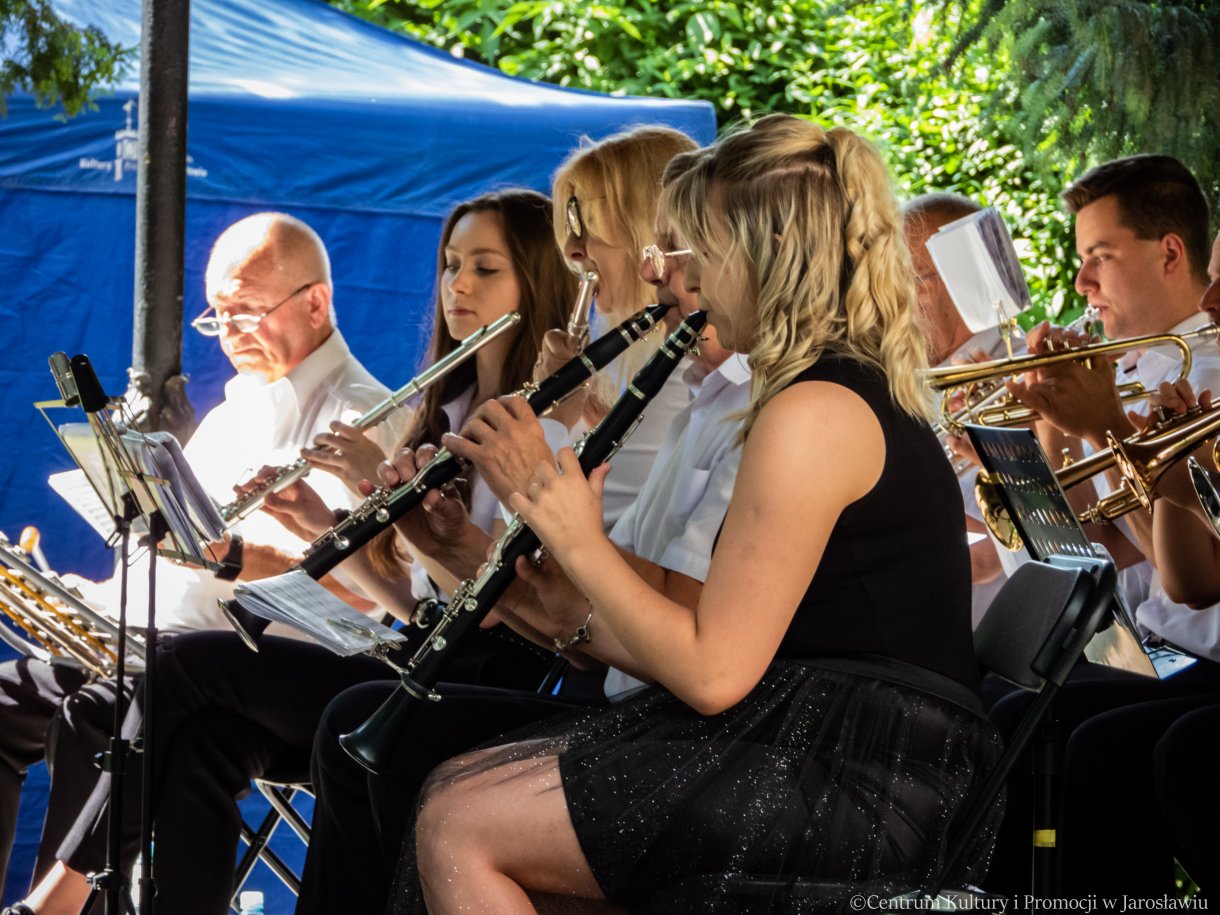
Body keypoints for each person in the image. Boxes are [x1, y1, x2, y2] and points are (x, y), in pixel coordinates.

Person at [399, 114, 1001, 914]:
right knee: (459, 794)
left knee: (459, 821)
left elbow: (713, 672)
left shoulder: (815, 409)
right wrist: (502, 570)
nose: (688, 283)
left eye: (702, 254)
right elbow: (692, 633)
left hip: (860, 776)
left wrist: (573, 531)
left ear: (766, 254)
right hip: (824, 741)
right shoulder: (822, 390)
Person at [294, 144, 748, 915]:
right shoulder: (663, 390)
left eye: (589, 227)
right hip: (591, 674)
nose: (578, 255)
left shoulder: (692, 399)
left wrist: (540, 484)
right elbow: (570, 593)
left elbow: (639, 606)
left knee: (399, 754)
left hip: (639, 709)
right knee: (357, 730)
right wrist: (453, 548)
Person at [0, 212, 402, 910]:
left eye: (247, 309)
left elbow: (348, 587)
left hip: (252, 664)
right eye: (218, 316)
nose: (232, 331)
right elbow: (167, 555)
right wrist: (91, 597)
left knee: (93, 712)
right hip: (148, 640)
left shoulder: (361, 413)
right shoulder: (233, 410)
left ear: (317, 301)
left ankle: (62, 904)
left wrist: (224, 553)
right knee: (2, 699)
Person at [981, 157, 1220, 897]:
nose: (1083, 283)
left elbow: (1193, 580)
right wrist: (1046, 432)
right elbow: (1078, 543)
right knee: (1012, 708)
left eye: (1099, 258)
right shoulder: (1136, 370)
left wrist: (1109, 425)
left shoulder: (1201, 371)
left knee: (1095, 743)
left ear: (1170, 254)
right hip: (1157, 643)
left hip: (1190, 649)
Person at [903, 192, 1010, 625]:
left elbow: (986, 557)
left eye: (910, 281)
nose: (893, 303)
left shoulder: (1019, 377)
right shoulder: (920, 376)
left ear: (957, 281)